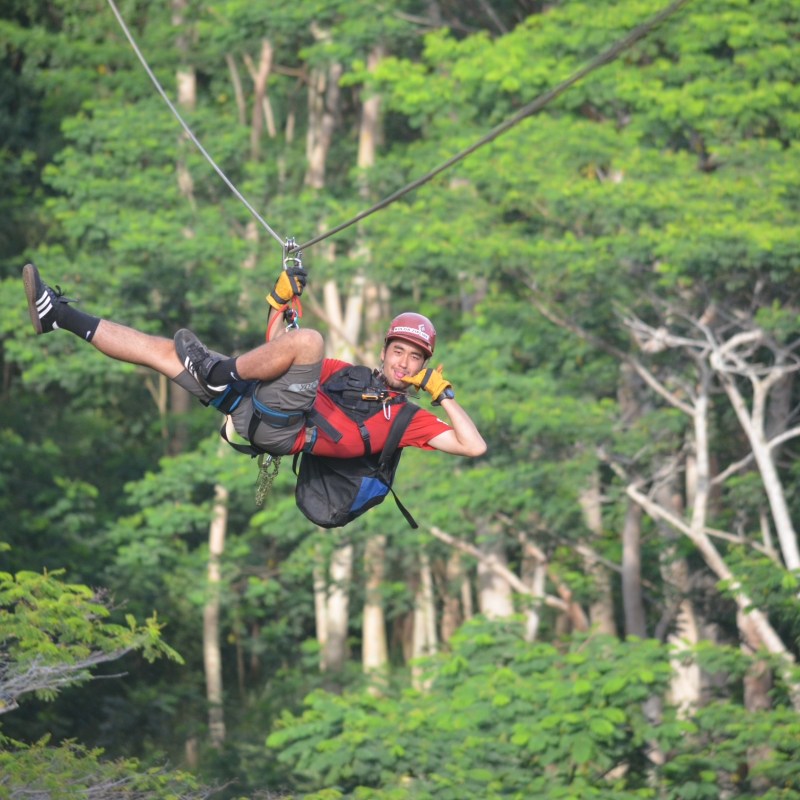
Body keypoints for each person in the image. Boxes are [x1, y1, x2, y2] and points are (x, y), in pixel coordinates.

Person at [22, 262, 487, 461]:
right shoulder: (348, 375)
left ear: (424, 367)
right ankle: (56, 314)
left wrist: (441, 394)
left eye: (414, 358)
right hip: (261, 408)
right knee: (163, 352)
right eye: (398, 351)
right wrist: (278, 301)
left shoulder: (409, 420)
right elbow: (276, 352)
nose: (404, 363)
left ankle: (217, 375)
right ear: (385, 350)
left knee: (310, 340)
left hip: (286, 431)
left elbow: (474, 447)